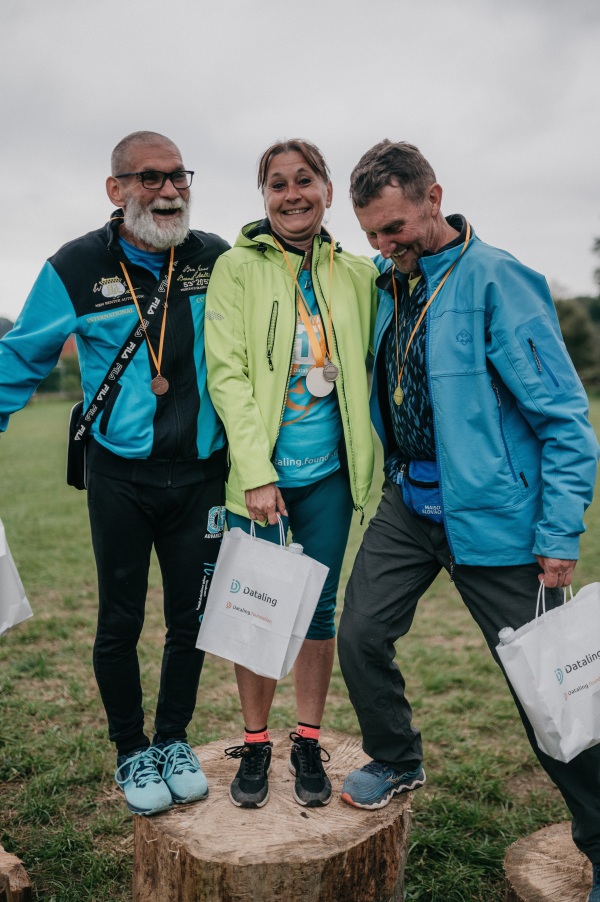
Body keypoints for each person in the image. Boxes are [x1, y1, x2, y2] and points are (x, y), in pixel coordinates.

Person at [336, 140, 600, 901]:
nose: (385, 246)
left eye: (394, 228)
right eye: (372, 234)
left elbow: (565, 421)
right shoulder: (392, 282)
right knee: (359, 634)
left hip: (496, 517)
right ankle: (396, 757)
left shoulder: (498, 279)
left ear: (434, 198)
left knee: (549, 693)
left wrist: (558, 534)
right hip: (410, 504)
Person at [0, 131, 230, 817]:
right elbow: (19, 358)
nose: (168, 191)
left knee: (192, 619)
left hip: (201, 477)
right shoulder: (74, 267)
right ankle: (131, 748)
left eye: (179, 177)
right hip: (119, 479)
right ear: (116, 189)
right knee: (119, 619)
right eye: (150, 178)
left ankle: (173, 740)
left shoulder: (216, 258)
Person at [204, 139, 378, 809]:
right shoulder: (235, 268)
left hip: (330, 477)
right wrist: (256, 470)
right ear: (265, 198)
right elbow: (227, 374)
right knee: (257, 608)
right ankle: (255, 743)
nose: (292, 194)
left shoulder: (357, 274)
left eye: (304, 180)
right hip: (261, 482)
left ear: (328, 190)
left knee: (318, 610)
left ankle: (306, 739)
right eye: (276, 184)